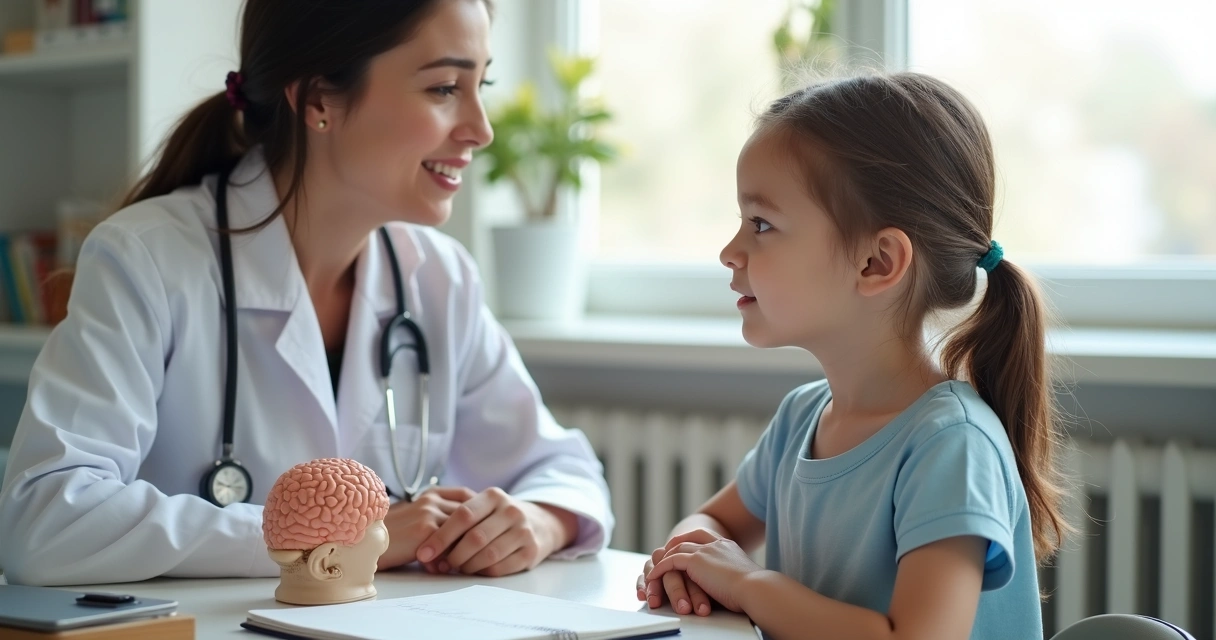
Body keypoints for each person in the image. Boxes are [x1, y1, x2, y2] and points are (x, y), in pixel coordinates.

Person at [0, 0, 612, 587]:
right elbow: (45, 518)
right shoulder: (150, 258)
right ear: (319, 99)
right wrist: (333, 536)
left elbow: (564, 471)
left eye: (484, 86)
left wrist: (538, 520)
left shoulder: (437, 277)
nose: (481, 130)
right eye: (444, 88)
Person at [636, 73, 1070, 640]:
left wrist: (744, 583)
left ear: (877, 263)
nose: (729, 250)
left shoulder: (951, 446)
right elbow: (716, 521)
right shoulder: (801, 418)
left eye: (761, 224)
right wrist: (692, 559)